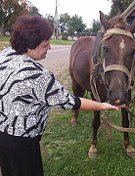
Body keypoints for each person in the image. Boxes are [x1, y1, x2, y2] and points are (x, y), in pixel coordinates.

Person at [0, 15, 125, 176]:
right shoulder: (38, 76)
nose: (50, 48)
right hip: (23, 143)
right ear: (30, 48)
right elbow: (71, 101)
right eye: (45, 45)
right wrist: (102, 105)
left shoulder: (6, 54)